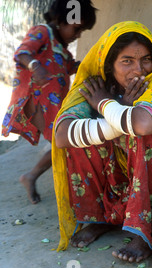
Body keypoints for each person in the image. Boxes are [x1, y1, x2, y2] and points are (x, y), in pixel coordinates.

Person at [52, 21, 152, 263]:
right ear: (109, 65)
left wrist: (105, 105)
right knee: (80, 139)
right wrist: (121, 111)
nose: (139, 70)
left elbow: (142, 124)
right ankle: (99, 218)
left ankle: (145, 233)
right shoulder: (95, 85)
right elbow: (61, 136)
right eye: (127, 61)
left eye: (146, 59)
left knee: (140, 135)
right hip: (117, 179)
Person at [1, 0, 97, 204]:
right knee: (61, 142)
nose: (78, 35)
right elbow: (22, 53)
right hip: (38, 103)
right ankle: (33, 176)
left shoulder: (62, 49)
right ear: (61, 19)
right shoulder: (42, 32)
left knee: (61, 143)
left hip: (54, 106)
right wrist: (35, 66)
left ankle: (32, 176)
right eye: (77, 29)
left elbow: (71, 66)